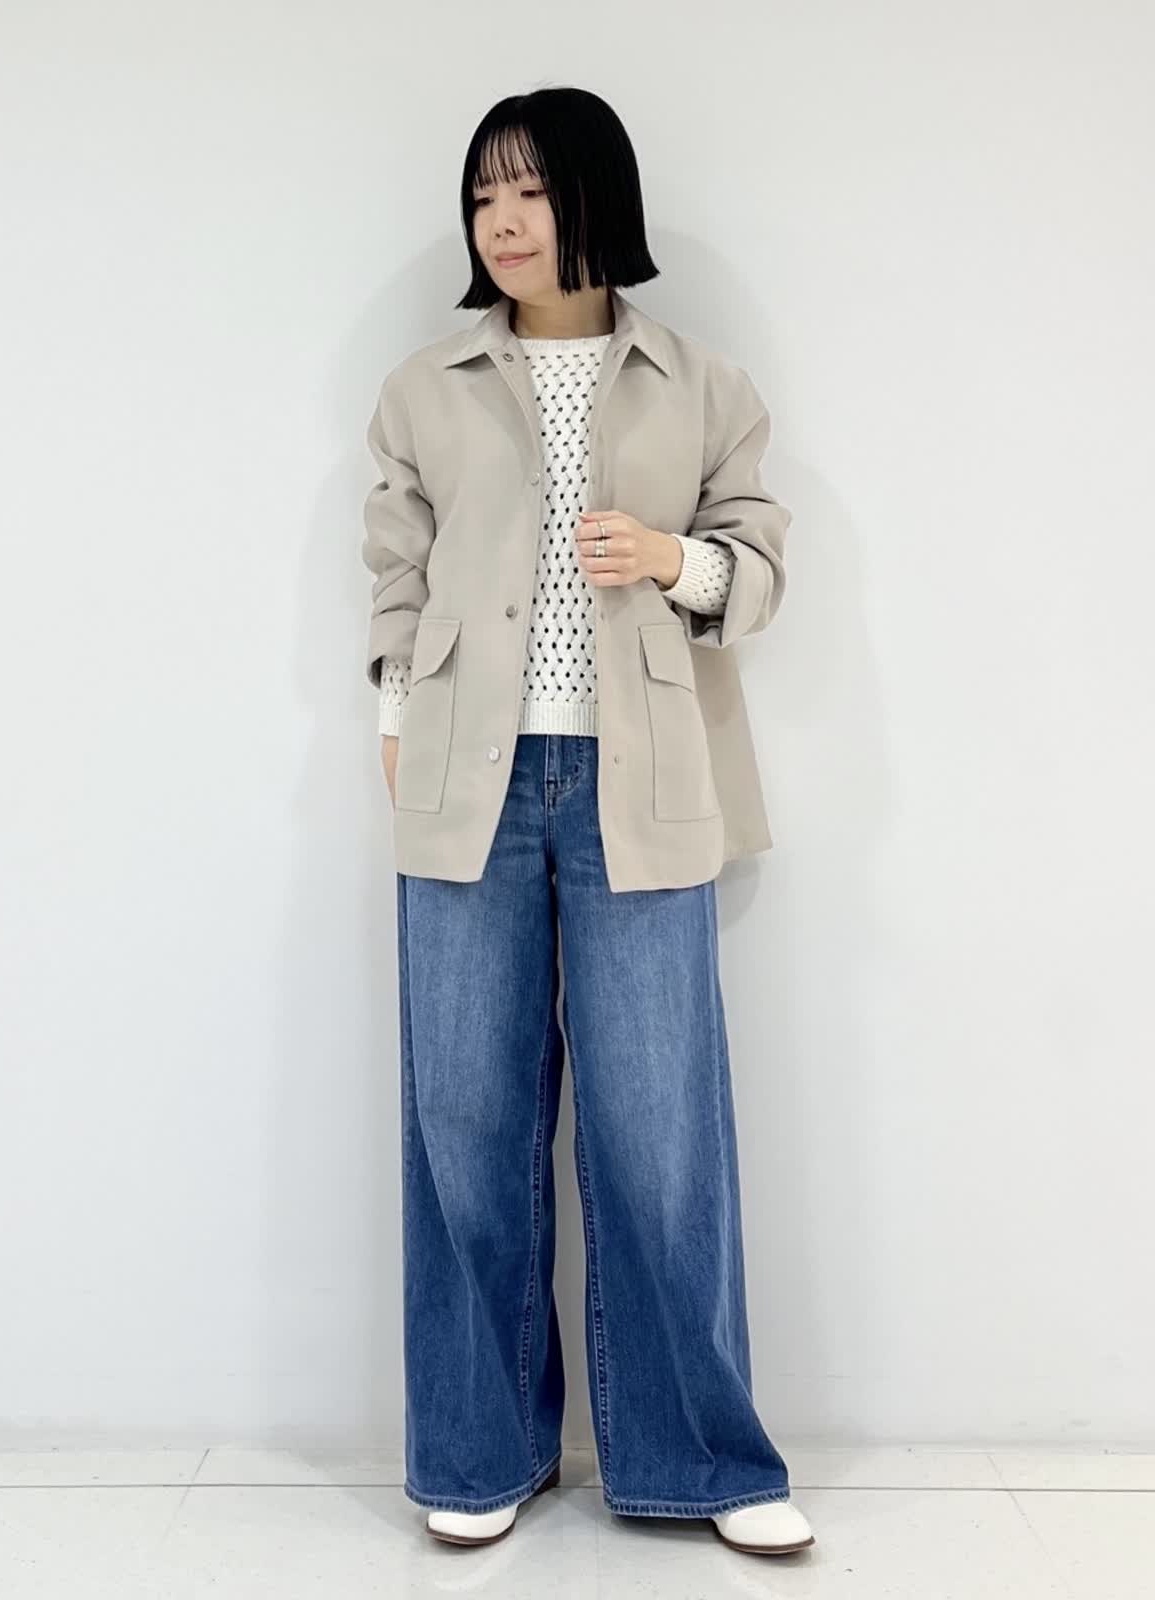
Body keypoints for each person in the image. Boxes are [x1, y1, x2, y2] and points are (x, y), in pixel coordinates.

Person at [361, 85, 814, 1558]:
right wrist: (389, 719)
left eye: (532, 190)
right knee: (466, 1123)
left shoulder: (700, 382)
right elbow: (395, 570)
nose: (502, 219)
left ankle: (703, 1460)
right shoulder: (425, 386)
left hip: (641, 784)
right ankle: (480, 1449)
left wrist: (675, 558)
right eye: (483, 193)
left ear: (593, 202)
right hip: (467, 786)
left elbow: (758, 562)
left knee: (659, 1133)